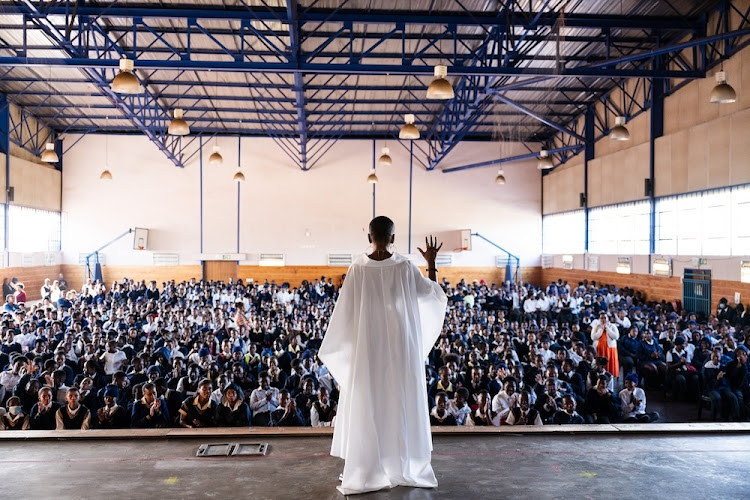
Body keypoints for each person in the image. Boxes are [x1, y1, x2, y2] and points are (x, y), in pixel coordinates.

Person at [319, 218, 447, 495]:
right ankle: (401, 464)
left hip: (367, 348)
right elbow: (432, 296)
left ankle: (367, 469)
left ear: (368, 237)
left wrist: (351, 350)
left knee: (370, 403)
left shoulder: (357, 269)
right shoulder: (405, 267)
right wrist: (432, 265)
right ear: (392, 238)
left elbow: (346, 315)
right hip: (400, 349)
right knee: (399, 402)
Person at [590, 311, 619, 378]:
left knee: (610, 366)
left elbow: (616, 337)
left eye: (605, 318)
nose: (603, 319)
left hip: (610, 349)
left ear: (607, 318)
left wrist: (607, 329)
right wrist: (601, 330)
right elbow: (593, 337)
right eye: (601, 318)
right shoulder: (596, 327)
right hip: (599, 349)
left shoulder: (613, 326)